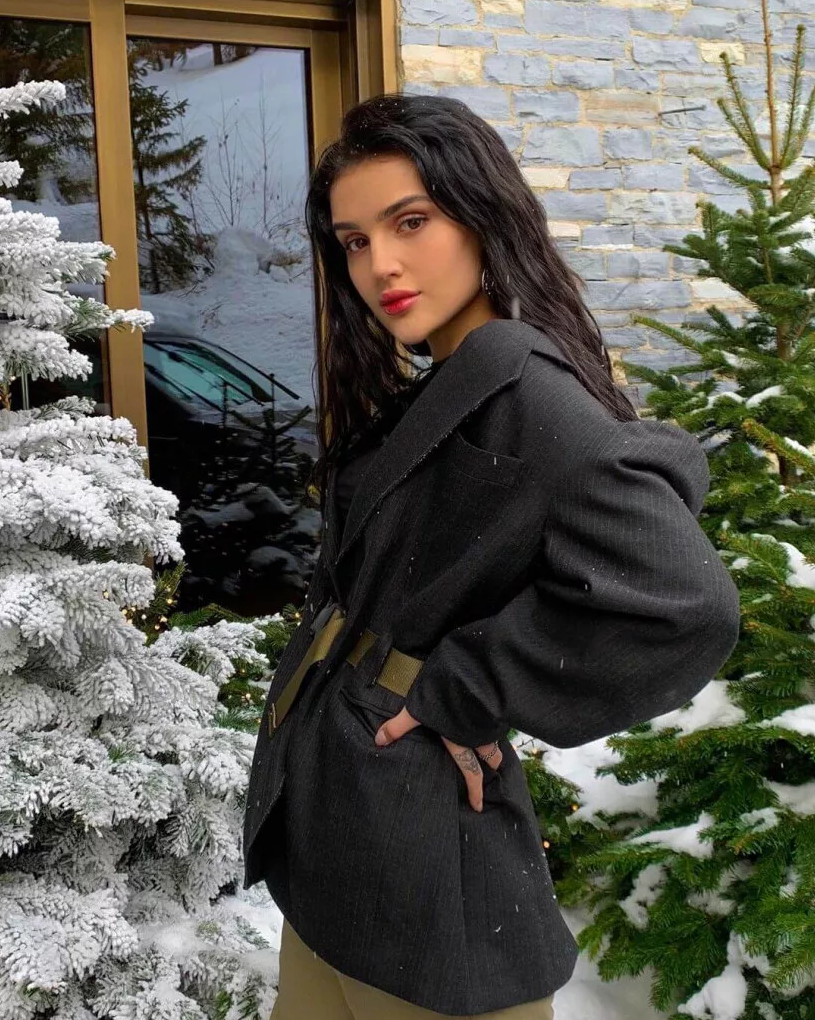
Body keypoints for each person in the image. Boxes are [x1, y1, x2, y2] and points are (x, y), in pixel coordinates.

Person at [243, 94, 742, 1020]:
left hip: (423, 861)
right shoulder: (451, 383)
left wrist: (466, 685)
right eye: (354, 241)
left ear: (482, 214)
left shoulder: (526, 393)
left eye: (411, 222)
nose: (380, 265)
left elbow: (681, 605)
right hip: (340, 831)